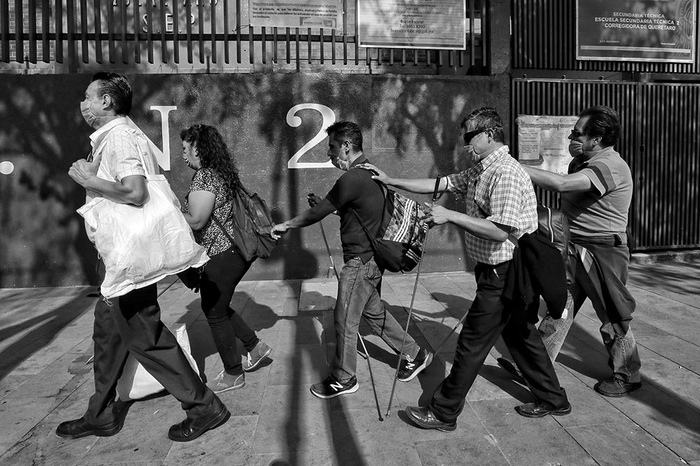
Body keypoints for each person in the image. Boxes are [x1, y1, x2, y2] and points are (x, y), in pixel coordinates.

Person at [361, 107, 571, 432]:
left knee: (471, 343)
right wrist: (390, 180)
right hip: (496, 270)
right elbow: (441, 183)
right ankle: (554, 398)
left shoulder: (505, 172)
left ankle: (443, 412)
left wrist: (450, 216)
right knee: (521, 336)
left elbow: (500, 230)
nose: (466, 144)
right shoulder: (481, 169)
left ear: (489, 134)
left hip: (504, 272)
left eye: (470, 137)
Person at [58, 72, 229, 443]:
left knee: (145, 335)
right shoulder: (117, 136)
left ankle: (203, 406)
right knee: (107, 333)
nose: (84, 104)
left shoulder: (119, 136)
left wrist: (89, 180)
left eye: (89, 97)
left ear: (106, 101)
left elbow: (135, 193)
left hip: (129, 258)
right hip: (119, 258)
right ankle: (101, 413)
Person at [271, 121, 433, 399]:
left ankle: (344, 378)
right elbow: (361, 212)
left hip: (360, 262)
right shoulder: (370, 173)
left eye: (332, 147)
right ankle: (415, 353)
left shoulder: (352, 178)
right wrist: (330, 206)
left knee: (344, 320)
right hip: (372, 261)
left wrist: (286, 225)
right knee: (374, 312)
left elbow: (316, 214)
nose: (329, 154)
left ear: (346, 146)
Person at [501, 106, 641, 397]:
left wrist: (511, 164)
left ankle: (628, 374)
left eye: (577, 134)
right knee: (559, 306)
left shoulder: (610, 165)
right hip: (574, 247)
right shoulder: (585, 162)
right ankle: (536, 364)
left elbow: (562, 185)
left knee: (613, 314)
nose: (571, 138)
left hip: (602, 251)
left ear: (597, 139)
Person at [180, 124, 273, 393]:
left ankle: (234, 373)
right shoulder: (220, 173)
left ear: (198, 148)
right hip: (233, 252)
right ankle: (255, 347)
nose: (183, 154)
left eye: (186, 149)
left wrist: (168, 213)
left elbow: (197, 220)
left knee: (214, 311)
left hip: (222, 253)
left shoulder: (205, 177)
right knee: (216, 305)